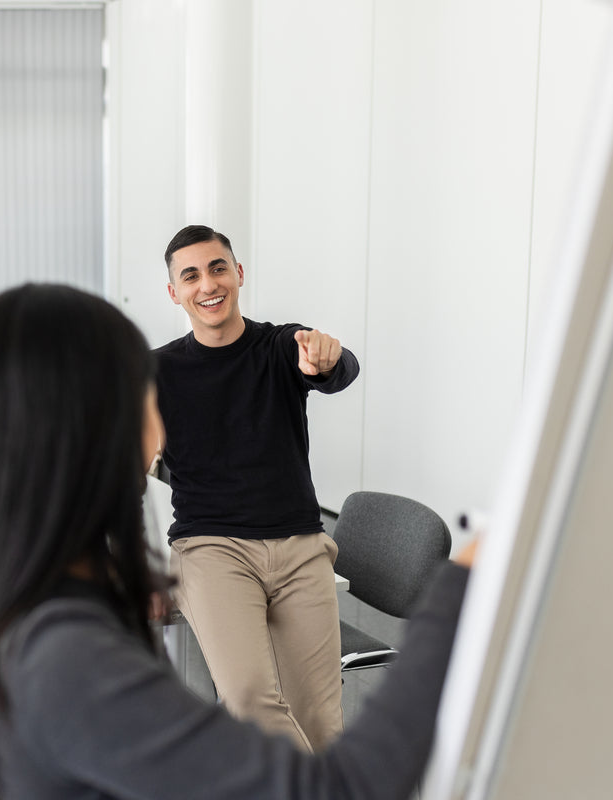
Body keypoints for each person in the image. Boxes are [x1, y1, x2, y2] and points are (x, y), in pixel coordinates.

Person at [0, 283, 474, 800]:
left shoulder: (18, 604)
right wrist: (457, 597)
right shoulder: (73, 662)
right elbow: (339, 791)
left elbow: (334, 367)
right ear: (95, 425)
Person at [153, 224, 359, 750]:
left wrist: (329, 360)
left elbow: (335, 368)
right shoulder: (156, 371)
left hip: (299, 547)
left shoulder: (280, 345)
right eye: (191, 275)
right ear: (174, 292)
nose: (208, 284)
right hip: (211, 548)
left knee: (319, 718)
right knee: (250, 701)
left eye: (218, 267)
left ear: (238, 274)